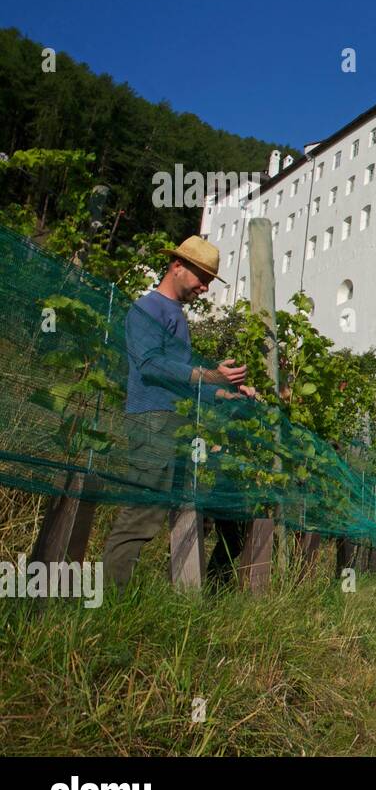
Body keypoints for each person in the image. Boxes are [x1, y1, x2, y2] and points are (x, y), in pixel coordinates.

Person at [103, 236, 254, 588]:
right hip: (152, 419)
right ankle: (108, 599)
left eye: (209, 281)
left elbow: (183, 381)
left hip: (172, 421)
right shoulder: (148, 309)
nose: (205, 287)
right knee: (142, 513)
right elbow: (150, 365)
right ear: (177, 266)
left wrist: (223, 393)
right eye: (201, 277)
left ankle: (142, 592)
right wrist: (209, 374)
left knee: (166, 511)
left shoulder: (175, 316)